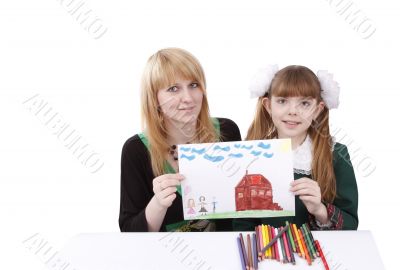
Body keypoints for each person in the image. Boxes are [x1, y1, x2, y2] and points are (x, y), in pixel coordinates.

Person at [119, 48, 241, 232]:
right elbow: (129, 232)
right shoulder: (136, 150)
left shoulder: (227, 131)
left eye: (193, 85)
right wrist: (158, 204)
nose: (188, 98)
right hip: (164, 257)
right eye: (173, 89)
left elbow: (242, 215)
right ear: (154, 99)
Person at [234, 65, 358, 231]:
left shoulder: (336, 154)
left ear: (317, 110)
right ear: (268, 105)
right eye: (282, 101)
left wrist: (319, 209)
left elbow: (351, 224)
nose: (293, 111)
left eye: (304, 103)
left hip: (317, 254)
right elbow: (242, 225)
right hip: (266, 253)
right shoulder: (251, 155)